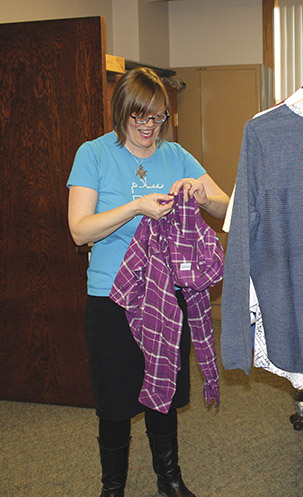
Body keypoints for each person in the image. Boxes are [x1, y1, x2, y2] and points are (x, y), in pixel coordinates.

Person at [67, 67, 229, 497]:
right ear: (121, 112)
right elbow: (80, 230)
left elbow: (225, 207)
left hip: (165, 297)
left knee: (165, 390)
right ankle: (112, 487)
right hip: (111, 298)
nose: (147, 128)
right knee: (115, 402)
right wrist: (136, 207)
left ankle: (169, 479)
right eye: (138, 117)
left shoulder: (177, 156)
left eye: (156, 118)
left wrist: (201, 191)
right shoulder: (93, 154)